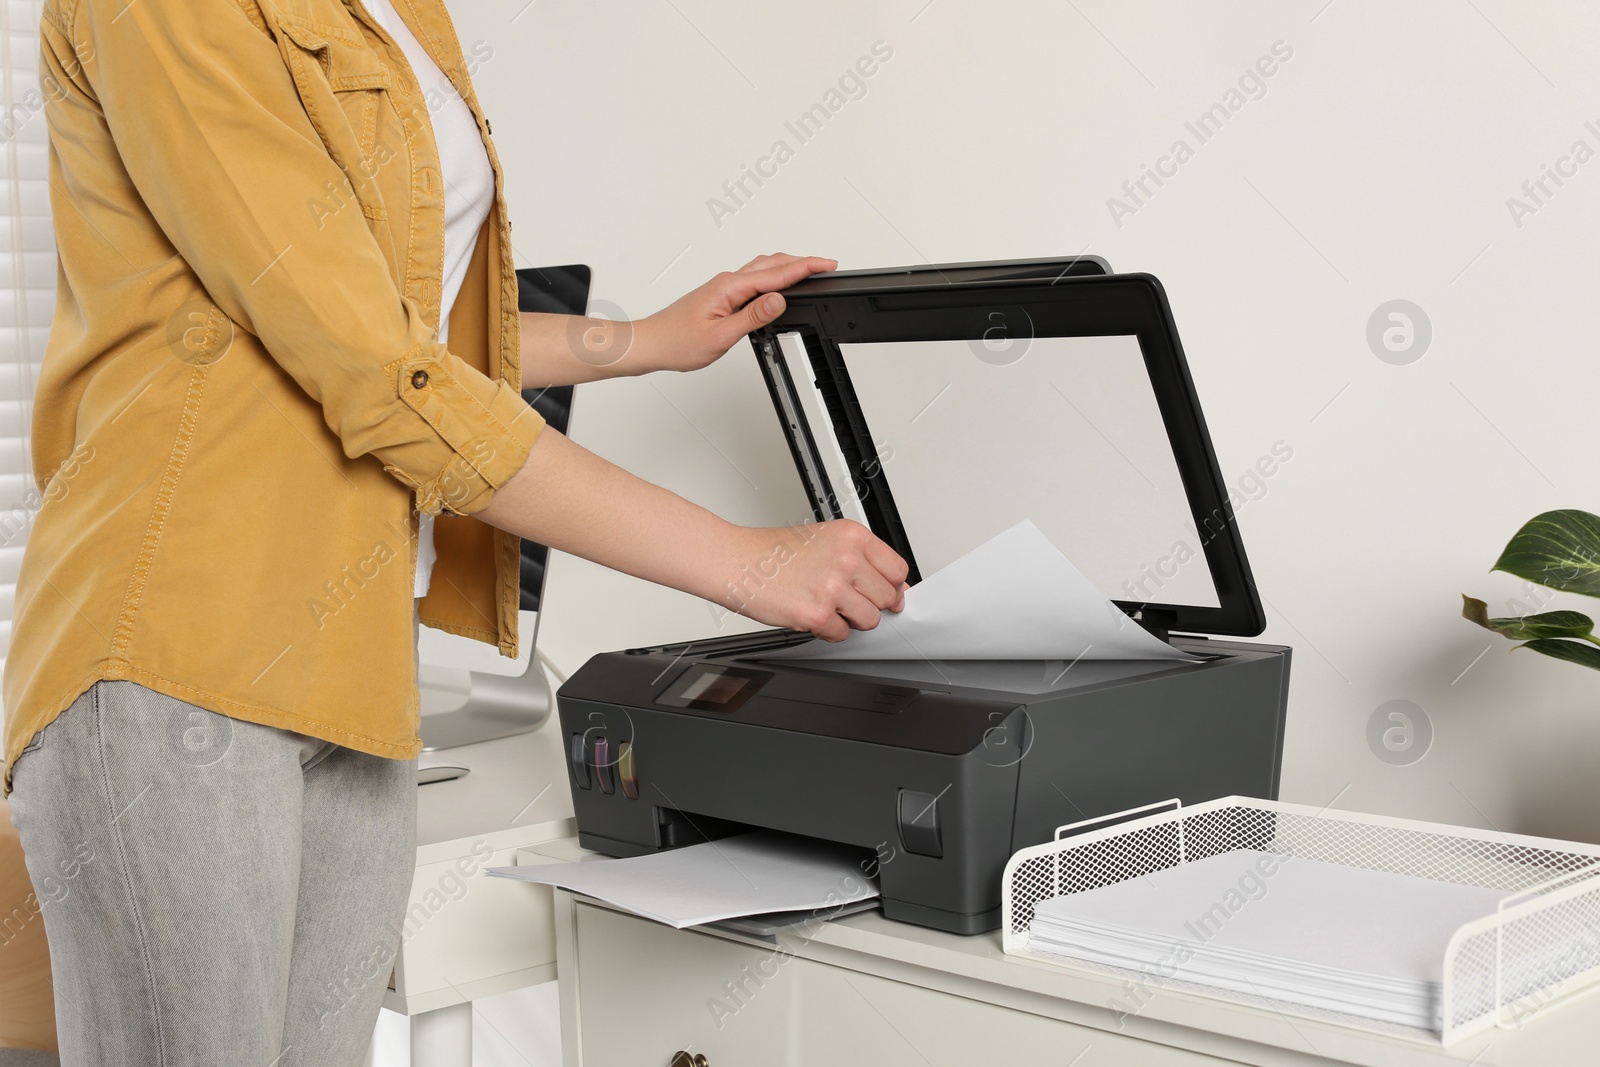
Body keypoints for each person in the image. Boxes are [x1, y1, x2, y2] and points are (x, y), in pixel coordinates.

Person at [3, 0, 908, 1062]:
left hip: (353, 653)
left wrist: (645, 340)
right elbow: (376, 370)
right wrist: (739, 560)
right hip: (181, 646)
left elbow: (397, 320)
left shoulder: (395, 14)